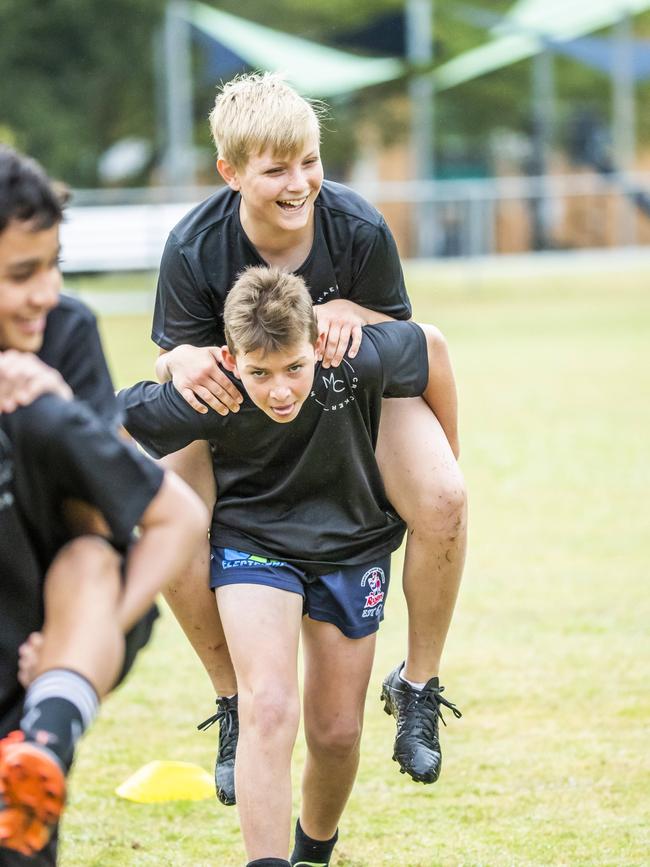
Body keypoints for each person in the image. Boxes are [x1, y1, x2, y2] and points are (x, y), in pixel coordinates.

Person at [151, 72, 467, 802]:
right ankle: (233, 698)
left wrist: (357, 312)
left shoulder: (356, 226)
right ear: (230, 172)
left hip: (352, 395)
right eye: (276, 169)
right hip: (242, 416)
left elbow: (406, 344)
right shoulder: (194, 248)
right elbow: (175, 360)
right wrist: (179, 358)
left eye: (310, 161)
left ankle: (417, 684)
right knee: (164, 513)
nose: (300, 184)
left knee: (447, 497)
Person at [120, 265, 462, 867]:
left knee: (336, 734)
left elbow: (432, 348)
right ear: (231, 358)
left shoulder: (357, 359)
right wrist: (171, 366)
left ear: (317, 346)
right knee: (269, 706)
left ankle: (314, 852)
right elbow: (107, 420)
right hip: (254, 545)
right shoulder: (214, 389)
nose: (279, 390)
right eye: (259, 373)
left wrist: (447, 455)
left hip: (352, 545)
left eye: (294, 369)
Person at [0, 145, 208, 863]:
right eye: (22, 274)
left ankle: (50, 730)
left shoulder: (65, 336)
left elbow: (106, 518)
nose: (47, 292)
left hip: (45, 628)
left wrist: (77, 647)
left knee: (91, 549)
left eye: (54, 264)